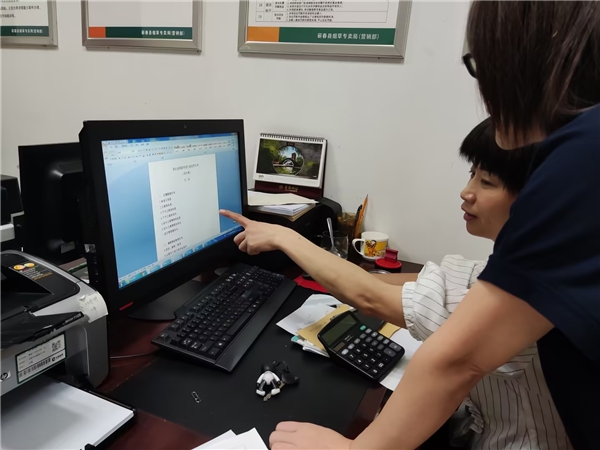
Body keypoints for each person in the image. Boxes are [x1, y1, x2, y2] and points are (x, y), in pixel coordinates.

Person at [234, 3, 599, 447]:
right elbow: (409, 282)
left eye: (481, 64)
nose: (467, 192)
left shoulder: (580, 159)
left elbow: (453, 357)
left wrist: (284, 236)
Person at [221, 118, 571, 449]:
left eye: (487, 182)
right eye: (472, 175)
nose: (467, 192)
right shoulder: (533, 261)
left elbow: (370, 297)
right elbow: (423, 280)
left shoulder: (527, 286)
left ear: (536, 198)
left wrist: (285, 237)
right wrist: (354, 276)